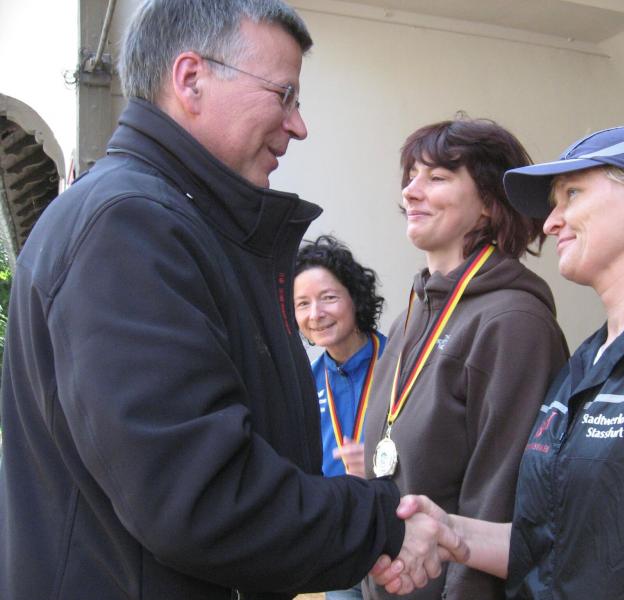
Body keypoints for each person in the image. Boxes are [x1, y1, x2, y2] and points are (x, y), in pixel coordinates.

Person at [0, 2, 466, 599]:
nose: (298, 126)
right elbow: (201, 494)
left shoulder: (169, 222)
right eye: (284, 95)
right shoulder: (129, 226)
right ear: (191, 79)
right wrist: (381, 525)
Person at [374, 126, 624, 599]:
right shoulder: (586, 365)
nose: (551, 222)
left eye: (571, 194)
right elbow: (558, 549)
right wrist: (452, 532)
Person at [361, 117, 569, 599]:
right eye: (410, 176)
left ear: (490, 205)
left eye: (436, 177)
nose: (411, 191)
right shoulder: (408, 318)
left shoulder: (514, 324)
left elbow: (499, 506)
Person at [295, 235, 388, 600]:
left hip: (398, 539)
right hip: (341, 547)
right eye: (303, 304)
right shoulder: (305, 383)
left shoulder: (398, 364)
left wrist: (378, 465)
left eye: (328, 297)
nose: (315, 314)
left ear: (355, 298)